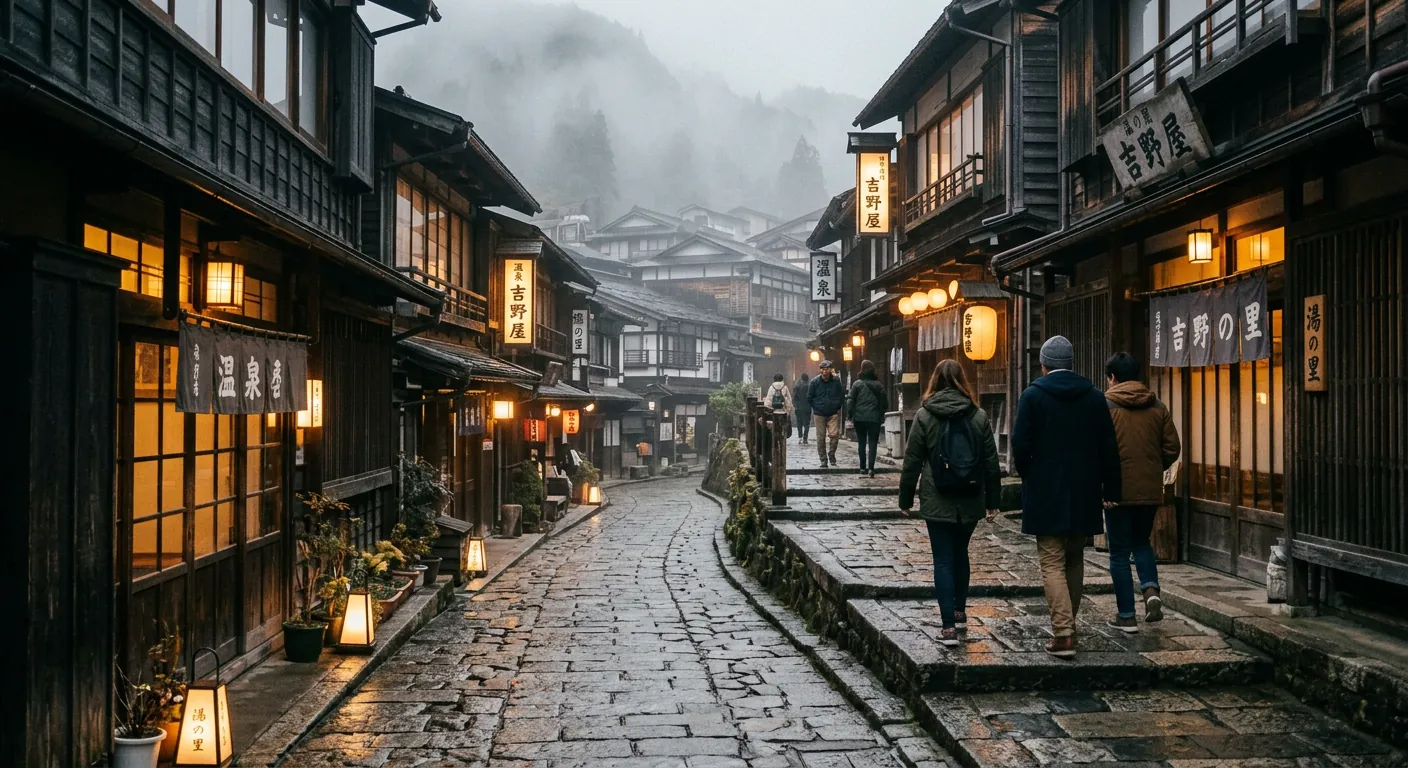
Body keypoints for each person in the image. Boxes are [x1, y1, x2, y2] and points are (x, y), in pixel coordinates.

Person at [1011, 335, 1121, 659]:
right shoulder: (1094, 398)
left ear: (1044, 364)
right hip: (1084, 490)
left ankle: (1063, 634)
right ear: (1070, 364)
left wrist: (1029, 473)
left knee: (1051, 561)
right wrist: (1111, 490)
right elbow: (1109, 449)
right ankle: (1068, 626)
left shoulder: (1033, 397)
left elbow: (1020, 444)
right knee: (1074, 558)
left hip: (1046, 491)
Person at [899, 359, 1000, 648]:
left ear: (934, 381)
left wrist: (905, 498)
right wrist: (993, 501)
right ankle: (960, 610)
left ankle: (947, 628)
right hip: (970, 495)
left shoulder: (924, 415)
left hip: (937, 495)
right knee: (961, 553)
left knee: (943, 559)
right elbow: (991, 463)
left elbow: (912, 461)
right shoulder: (978, 415)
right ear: (961, 381)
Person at [1103, 352, 1181, 632]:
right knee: (1141, 542)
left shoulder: (1106, 405)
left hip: (1116, 492)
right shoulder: (1157, 405)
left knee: (1119, 552)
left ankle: (1126, 616)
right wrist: (1152, 467)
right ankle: (1150, 591)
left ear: (1112, 377)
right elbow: (1173, 447)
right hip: (1149, 491)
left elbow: (1097, 449)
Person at [847, 360, 888, 476]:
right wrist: (881, 413)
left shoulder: (857, 384)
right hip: (874, 419)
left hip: (859, 418)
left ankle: (862, 468)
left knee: (861, 443)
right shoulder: (879, 385)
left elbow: (850, 400)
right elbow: (885, 403)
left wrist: (850, 414)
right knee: (873, 443)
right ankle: (871, 468)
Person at [807, 360, 845, 466]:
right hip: (819, 413)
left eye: (827, 369)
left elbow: (841, 395)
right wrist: (816, 407)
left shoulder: (836, 381)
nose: (825, 372)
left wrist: (837, 406)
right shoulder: (815, 382)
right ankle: (823, 459)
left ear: (830, 370)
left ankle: (831, 454)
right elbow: (809, 397)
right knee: (821, 437)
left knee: (834, 435)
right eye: (823, 369)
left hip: (833, 412)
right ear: (820, 370)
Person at [793, 374, 812, 443]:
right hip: (807, 407)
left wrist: (795, 405)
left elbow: (794, 397)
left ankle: (800, 437)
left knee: (799, 423)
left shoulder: (797, 386)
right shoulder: (810, 386)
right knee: (807, 424)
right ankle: (805, 438)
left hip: (798, 407)